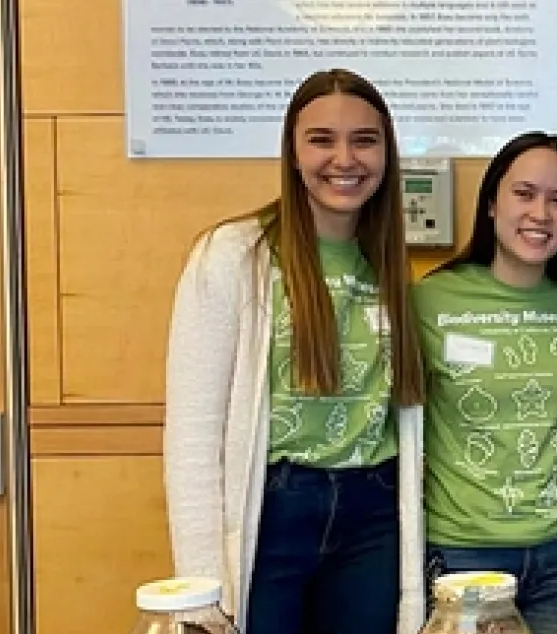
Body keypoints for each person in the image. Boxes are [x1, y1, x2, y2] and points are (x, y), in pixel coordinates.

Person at [161, 68, 426, 634]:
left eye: (365, 140)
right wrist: (200, 587)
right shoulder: (231, 255)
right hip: (274, 509)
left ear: (386, 152)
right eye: (322, 140)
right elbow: (192, 433)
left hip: (372, 513)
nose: (345, 158)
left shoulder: (386, 262)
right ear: (293, 151)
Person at [413, 131, 557, 633]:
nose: (540, 213)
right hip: (462, 554)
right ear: (492, 204)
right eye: (524, 194)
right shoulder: (431, 300)